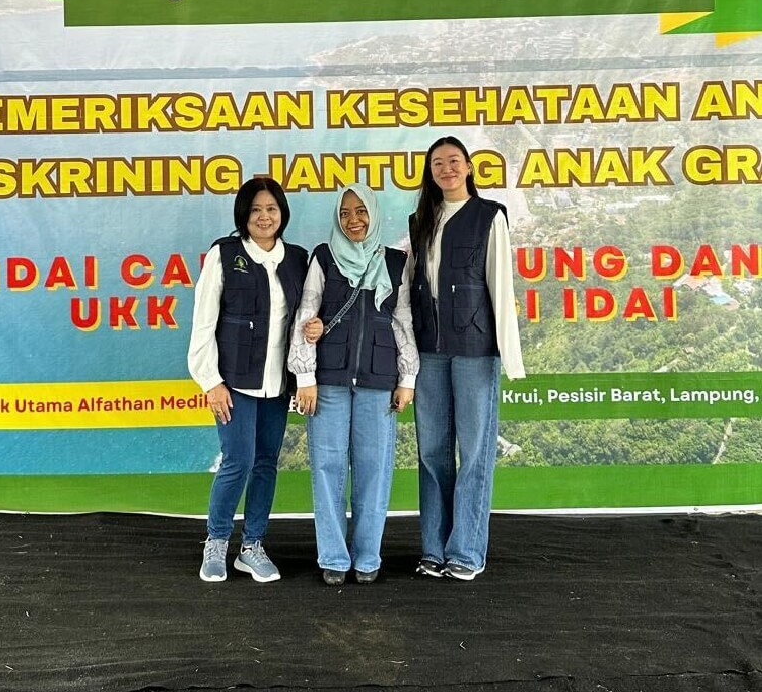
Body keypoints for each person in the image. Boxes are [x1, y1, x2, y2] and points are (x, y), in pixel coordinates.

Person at [288, 183, 419, 585]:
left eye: (360, 211)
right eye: (345, 213)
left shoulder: (397, 262)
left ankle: (367, 557)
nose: (353, 220)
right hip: (327, 380)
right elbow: (307, 314)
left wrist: (408, 378)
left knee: (374, 470)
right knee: (327, 469)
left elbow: (403, 322)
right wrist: (304, 377)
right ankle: (333, 557)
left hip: (380, 381)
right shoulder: (324, 258)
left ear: (374, 214)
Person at [409, 136, 525, 581]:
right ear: (430, 171)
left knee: (475, 452)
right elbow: (411, 286)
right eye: (437, 162)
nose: (446, 169)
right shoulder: (422, 220)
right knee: (433, 450)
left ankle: (466, 552)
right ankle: (433, 550)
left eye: (454, 161)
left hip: (476, 350)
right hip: (429, 350)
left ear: (470, 167)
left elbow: (501, 285)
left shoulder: (488, 216)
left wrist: (509, 358)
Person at [188, 177, 308, 584]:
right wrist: (211, 381)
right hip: (233, 382)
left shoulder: (297, 259)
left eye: (271, 209)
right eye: (256, 209)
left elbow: (305, 317)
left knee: (265, 464)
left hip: (277, 385)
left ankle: (252, 545)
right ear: (244, 215)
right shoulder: (224, 254)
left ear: (282, 214)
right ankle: (217, 542)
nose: (264, 216)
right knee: (237, 462)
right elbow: (203, 324)